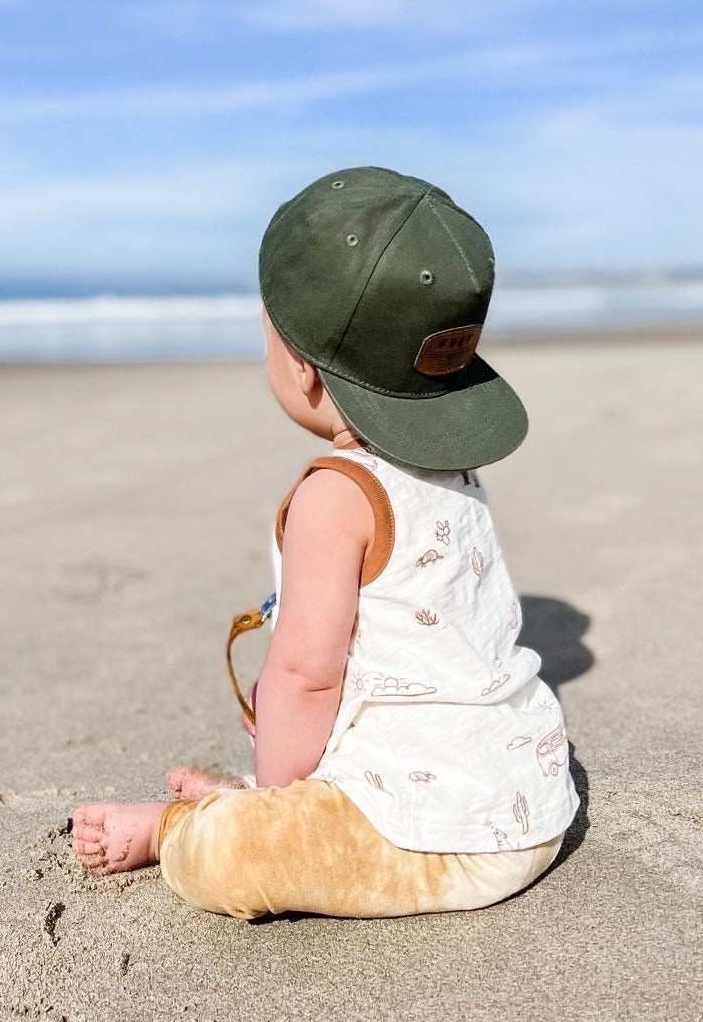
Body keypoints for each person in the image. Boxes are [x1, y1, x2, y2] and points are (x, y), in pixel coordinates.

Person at [72, 166, 580, 919]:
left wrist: (276, 796)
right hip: (532, 807)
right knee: (305, 803)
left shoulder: (333, 496)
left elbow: (307, 676)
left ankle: (176, 828)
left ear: (304, 370)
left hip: (428, 838)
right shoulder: (455, 466)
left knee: (239, 857)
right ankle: (265, 807)